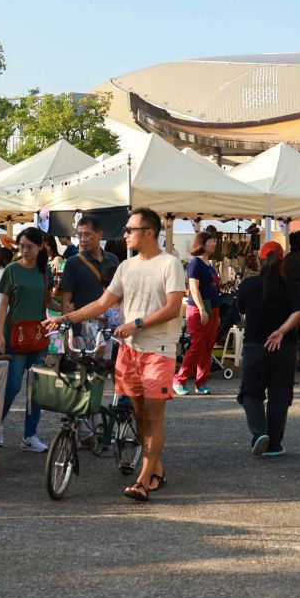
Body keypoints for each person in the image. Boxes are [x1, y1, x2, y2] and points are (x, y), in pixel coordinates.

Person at [48, 208, 185, 501]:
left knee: (153, 416)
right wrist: (65, 319)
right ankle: (155, 468)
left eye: (129, 230)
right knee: (139, 416)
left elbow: (174, 308)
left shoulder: (169, 264)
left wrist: (136, 323)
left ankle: (143, 481)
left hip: (158, 351)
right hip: (130, 352)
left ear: (149, 232)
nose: (124, 235)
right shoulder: (125, 267)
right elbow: (101, 304)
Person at [236, 241, 300, 456]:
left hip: (255, 347)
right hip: (285, 348)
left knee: (250, 393)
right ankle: (275, 444)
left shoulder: (248, 285)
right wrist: (281, 330)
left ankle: (260, 432)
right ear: (282, 262)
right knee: (280, 395)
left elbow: (240, 309)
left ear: (259, 260)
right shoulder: (291, 284)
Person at [0, 227, 56, 452]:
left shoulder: (44, 272)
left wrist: (68, 310)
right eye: (21, 246)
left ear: (40, 246)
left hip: (39, 337)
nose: (24, 251)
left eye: (29, 247)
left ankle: (30, 435)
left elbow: (48, 302)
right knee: (12, 386)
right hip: (16, 336)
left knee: (36, 389)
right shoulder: (12, 269)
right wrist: (0, 333)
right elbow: (4, 304)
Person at [177, 226, 223, 396]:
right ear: (201, 244)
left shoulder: (208, 264)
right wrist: (202, 310)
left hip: (213, 307)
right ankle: (180, 379)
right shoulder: (195, 263)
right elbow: (194, 289)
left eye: (214, 241)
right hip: (199, 308)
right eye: (210, 241)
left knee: (208, 346)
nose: (213, 244)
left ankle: (201, 382)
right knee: (197, 346)